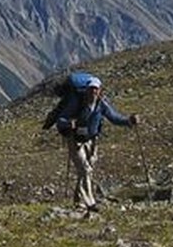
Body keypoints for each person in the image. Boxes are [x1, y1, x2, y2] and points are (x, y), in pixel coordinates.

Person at [55, 74, 139, 211]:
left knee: (87, 171)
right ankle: (90, 203)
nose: (93, 92)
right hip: (75, 141)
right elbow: (60, 120)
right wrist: (69, 123)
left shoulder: (101, 105)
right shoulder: (77, 103)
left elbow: (114, 117)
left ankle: (78, 201)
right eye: (91, 89)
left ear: (100, 91)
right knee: (85, 169)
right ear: (87, 90)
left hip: (91, 141)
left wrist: (128, 121)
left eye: (96, 89)